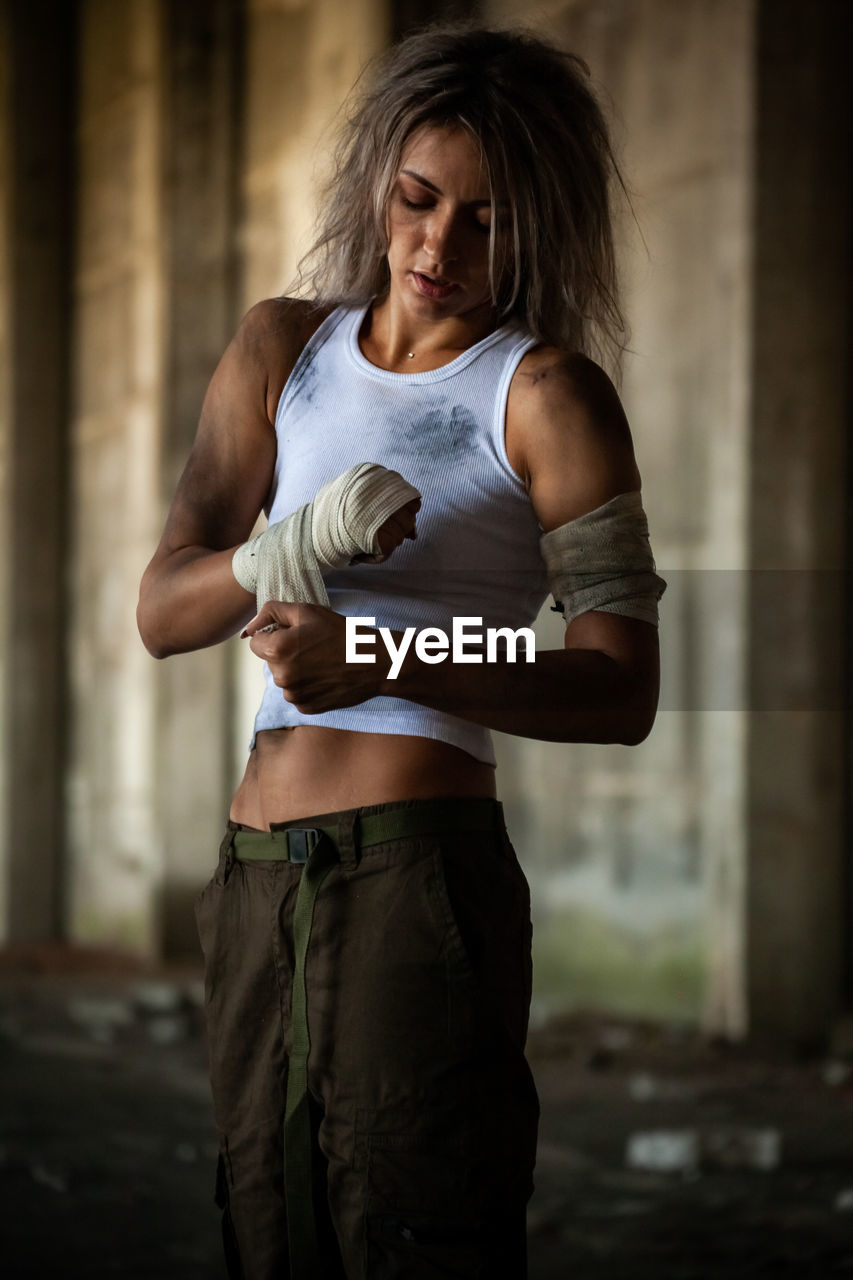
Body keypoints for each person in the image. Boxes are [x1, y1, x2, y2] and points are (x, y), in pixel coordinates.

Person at [137, 22, 664, 1280]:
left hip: (417, 884)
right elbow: (162, 609)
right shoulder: (281, 350)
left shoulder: (547, 398)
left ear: (537, 227)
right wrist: (292, 545)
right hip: (257, 875)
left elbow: (621, 683)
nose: (439, 247)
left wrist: (380, 653)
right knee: (266, 1226)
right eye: (419, 201)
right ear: (380, 181)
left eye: (486, 220)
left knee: (417, 1230)